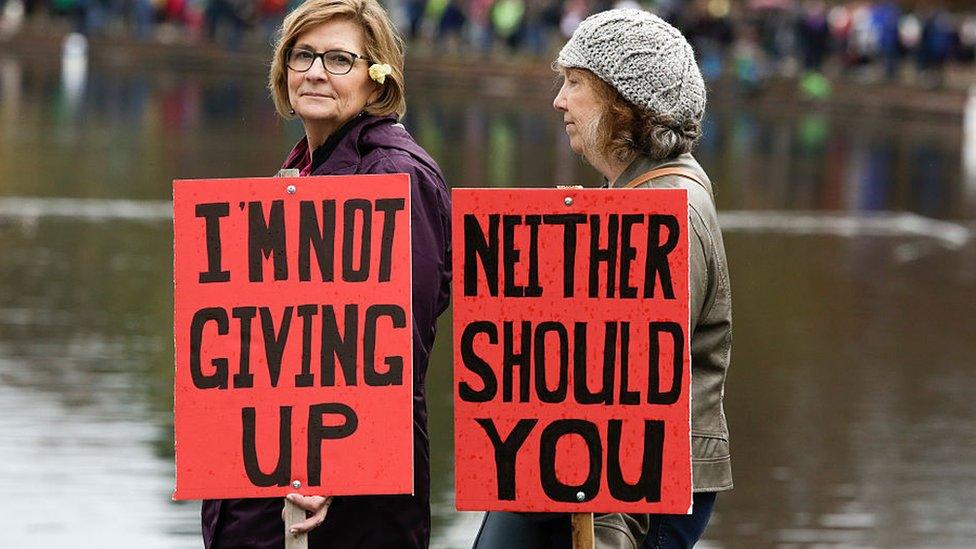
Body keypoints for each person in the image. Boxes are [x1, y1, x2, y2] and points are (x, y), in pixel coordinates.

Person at [473, 9, 732, 549]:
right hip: (591, 477)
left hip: (631, 491)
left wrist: (610, 528)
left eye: (574, 83)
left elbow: (627, 396)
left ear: (625, 103)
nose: (558, 101)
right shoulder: (641, 198)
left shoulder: (667, 212)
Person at [201, 0, 452, 547]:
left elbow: (397, 349)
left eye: (340, 59)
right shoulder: (303, 168)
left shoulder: (395, 176)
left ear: (376, 79)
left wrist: (341, 464)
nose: (315, 71)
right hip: (269, 480)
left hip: (342, 510)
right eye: (303, 55)